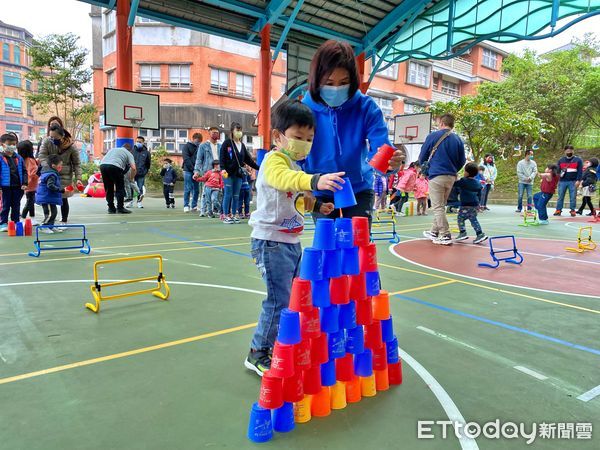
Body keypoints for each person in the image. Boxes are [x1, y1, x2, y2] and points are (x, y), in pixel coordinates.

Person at [245, 99, 342, 376]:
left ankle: (278, 343)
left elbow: (294, 199)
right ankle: (257, 352)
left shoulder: (295, 166)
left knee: (294, 297)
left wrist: (315, 205)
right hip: (271, 242)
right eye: (298, 137)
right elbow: (283, 181)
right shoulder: (275, 161)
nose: (304, 144)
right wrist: (314, 181)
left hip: (290, 242)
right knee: (278, 299)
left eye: (309, 139)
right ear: (278, 136)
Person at [301, 40, 403, 224]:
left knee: (358, 244)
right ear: (317, 80)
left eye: (344, 82)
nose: (336, 89)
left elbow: (380, 147)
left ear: (353, 81)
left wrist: (389, 163)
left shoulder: (366, 107)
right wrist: (304, 185)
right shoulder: (304, 110)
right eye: (329, 83)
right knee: (327, 245)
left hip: (358, 188)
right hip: (320, 187)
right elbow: (296, 153)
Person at [418, 114, 466, 245]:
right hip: (451, 176)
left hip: (436, 174)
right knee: (441, 204)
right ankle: (434, 231)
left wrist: (424, 168)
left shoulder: (433, 136)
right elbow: (462, 160)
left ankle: (445, 234)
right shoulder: (458, 139)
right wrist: (453, 169)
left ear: (442, 123)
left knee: (437, 206)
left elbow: (422, 156)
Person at [38, 124, 82, 229]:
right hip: (50, 173)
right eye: (51, 137)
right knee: (49, 198)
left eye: (55, 137)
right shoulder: (47, 142)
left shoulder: (71, 146)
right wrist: (50, 168)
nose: (52, 139)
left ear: (62, 136)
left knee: (64, 198)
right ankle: (49, 223)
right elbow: (42, 156)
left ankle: (64, 220)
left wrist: (79, 178)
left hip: (65, 175)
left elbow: (77, 163)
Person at [220, 122, 259, 224]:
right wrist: (223, 168)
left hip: (238, 174)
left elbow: (248, 160)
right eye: (237, 130)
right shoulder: (227, 143)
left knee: (236, 195)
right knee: (228, 193)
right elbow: (222, 158)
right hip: (227, 173)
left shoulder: (242, 145)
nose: (239, 132)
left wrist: (259, 167)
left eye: (240, 130)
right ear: (232, 131)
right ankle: (225, 215)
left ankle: (234, 214)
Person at [454, 163, 488, 244]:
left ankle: (462, 232)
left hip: (465, 204)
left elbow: (454, 184)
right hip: (474, 205)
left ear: (467, 173)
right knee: (473, 219)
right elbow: (480, 194)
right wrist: (478, 204)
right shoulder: (477, 183)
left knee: (460, 218)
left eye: (465, 171)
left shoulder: (463, 181)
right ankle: (480, 234)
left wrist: (455, 176)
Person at [0, 134, 28, 232]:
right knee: (5, 205)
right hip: (5, 186)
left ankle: (16, 221)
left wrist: (25, 183)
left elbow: (24, 171)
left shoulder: (19, 158)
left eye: (14, 144)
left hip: (18, 186)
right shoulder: (0, 157)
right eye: (9, 144)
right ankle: (3, 223)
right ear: (2, 144)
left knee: (16, 205)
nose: (12, 146)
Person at [100, 146, 137, 214]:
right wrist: (131, 178)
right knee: (120, 188)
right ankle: (120, 208)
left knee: (109, 188)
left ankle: (111, 208)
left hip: (103, 166)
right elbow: (133, 168)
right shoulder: (129, 153)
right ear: (130, 151)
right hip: (115, 166)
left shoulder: (113, 149)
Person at [194, 126, 221, 217]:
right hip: (207, 172)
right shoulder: (203, 146)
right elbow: (199, 160)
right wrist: (196, 171)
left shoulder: (221, 146)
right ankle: (203, 210)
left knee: (218, 192)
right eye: (213, 132)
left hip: (219, 172)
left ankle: (216, 209)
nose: (215, 134)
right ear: (209, 133)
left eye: (217, 132)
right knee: (205, 193)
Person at [36, 154, 64, 234]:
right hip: (46, 197)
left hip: (50, 197)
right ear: (53, 165)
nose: (61, 166)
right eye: (60, 165)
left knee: (54, 212)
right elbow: (50, 185)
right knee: (49, 213)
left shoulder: (51, 172)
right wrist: (60, 190)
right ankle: (43, 226)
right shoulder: (51, 174)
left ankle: (51, 226)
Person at [554, 145, 583, 217]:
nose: (569, 152)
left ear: (573, 151)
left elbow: (580, 171)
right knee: (560, 196)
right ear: (565, 151)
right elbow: (558, 171)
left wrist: (578, 180)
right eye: (567, 151)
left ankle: (572, 210)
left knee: (573, 197)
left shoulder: (578, 160)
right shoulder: (561, 160)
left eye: (570, 151)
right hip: (562, 181)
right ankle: (558, 210)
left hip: (573, 181)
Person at [18, 140, 39, 224]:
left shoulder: (22, 159)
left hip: (27, 184)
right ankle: (23, 217)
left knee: (30, 201)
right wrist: (39, 173)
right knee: (30, 201)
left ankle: (32, 217)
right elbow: (33, 173)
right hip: (31, 184)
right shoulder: (30, 160)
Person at [182, 132, 201, 212]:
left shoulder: (200, 147)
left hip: (196, 171)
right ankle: (186, 205)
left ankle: (194, 205)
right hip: (188, 170)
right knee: (187, 188)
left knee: (196, 189)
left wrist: (197, 170)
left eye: (199, 141)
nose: (198, 142)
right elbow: (186, 159)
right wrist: (193, 169)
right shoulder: (186, 146)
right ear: (193, 139)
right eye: (197, 140)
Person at [132, 136, 151, 208]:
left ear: (143, 143)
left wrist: (145, 171)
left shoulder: (146, 153)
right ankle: (130, 202)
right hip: (132, 173)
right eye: (137, 141)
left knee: (140, 188)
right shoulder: (132, 151)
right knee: (131, 188)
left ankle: (139, 202)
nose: (138, 143)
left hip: (141, 173)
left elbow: (148, 163)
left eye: (140, 142)